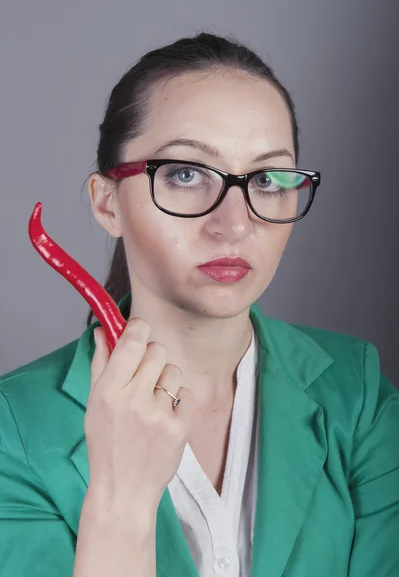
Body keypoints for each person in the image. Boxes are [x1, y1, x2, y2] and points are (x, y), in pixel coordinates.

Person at [0, 32, 398, 577]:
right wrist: (121, 501)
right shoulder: (12, 429)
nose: (234, 224)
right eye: (186, 174)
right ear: (106, 202)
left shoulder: (358, 391)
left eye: (269, 179)